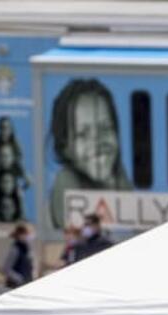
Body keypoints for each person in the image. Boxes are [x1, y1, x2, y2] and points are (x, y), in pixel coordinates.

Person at [48, 78, 132, 228]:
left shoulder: (119, 175)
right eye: (82, 134)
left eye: (105, 128)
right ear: (65, 147)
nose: (97, 142)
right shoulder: (66, 181)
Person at [1, 223, 35, 288]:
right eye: (28, 234)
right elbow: (6, 269)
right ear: (21, 235)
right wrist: (19, 279)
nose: (30, 236)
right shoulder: (15, 249)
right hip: (14, 285)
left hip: (26, 285)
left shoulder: (27, 248)